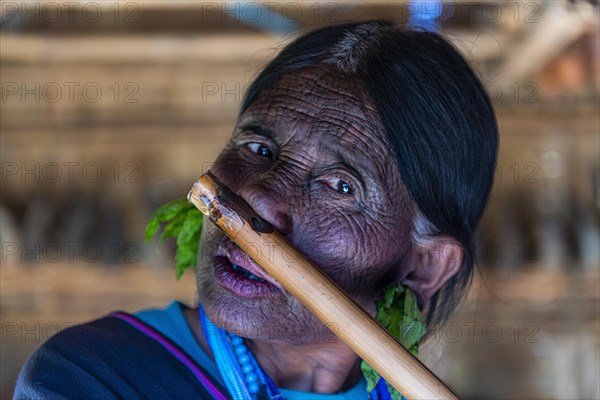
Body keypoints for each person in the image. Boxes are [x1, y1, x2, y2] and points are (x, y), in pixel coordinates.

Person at [15, 20, 498, 399]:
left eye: (340, 185)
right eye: (259, 150)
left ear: (424, 263)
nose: (261, 198)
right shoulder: (93, 378)